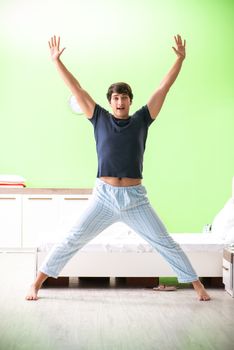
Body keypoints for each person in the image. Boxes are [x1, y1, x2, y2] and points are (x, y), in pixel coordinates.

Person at [26, 34, 210, 301]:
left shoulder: (142, 120)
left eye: (124, 97)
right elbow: (76, 88)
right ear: (110, 101)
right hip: (104, 197)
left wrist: (179, 59)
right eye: (115, 98)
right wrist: (56, 62)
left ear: (130, 101)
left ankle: (197, 286)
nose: (120, 102)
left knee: (165, 242)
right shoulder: (98, 117)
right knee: (72, 239)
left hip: (136, 200)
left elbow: (162, 88)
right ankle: (36, 283)